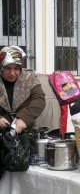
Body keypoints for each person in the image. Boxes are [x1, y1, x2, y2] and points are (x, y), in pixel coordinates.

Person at [0, 46, 46, 178]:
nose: (12, 73)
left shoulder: (30, 78)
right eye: (8, 68)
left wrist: (24, 118)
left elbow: (39, 100)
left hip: (24, 137)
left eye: (16, 68)